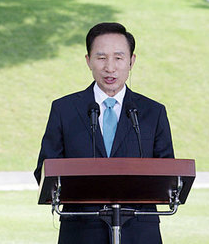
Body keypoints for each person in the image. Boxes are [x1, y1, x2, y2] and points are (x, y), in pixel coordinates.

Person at [34, 22, 174, 244]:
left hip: (139, 230)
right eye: (101, 58)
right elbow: (45, 170)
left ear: (131, 61)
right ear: (88, 61)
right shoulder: (64, 109)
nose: (110, 67)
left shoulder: (153, 112)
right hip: (81, 230)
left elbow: (169, 175)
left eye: (118, 58)